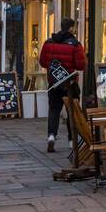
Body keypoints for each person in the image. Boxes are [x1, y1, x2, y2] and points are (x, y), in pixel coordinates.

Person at [39, 18, 86, 153]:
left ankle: (51, 136)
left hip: (54, 83)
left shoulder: (48, 43)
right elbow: (81, 65)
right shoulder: (75, 45)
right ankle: (71, 141)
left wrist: (54, 67)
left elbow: (42, 62)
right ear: (71, 28)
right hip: (70, 84)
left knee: (54, 110)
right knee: (72, 112)